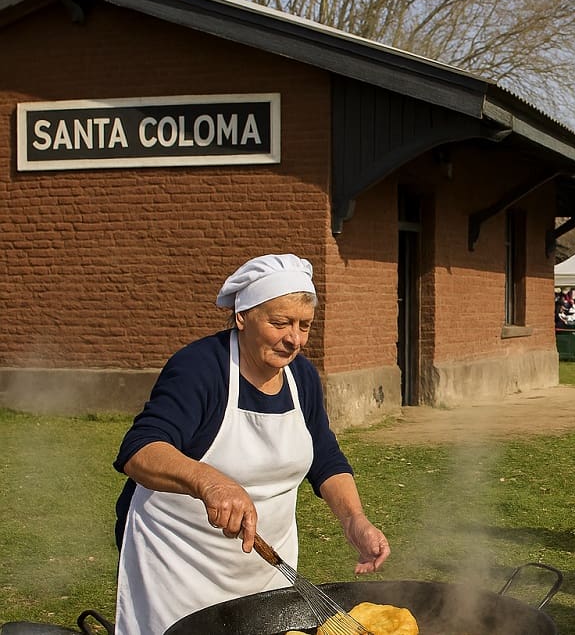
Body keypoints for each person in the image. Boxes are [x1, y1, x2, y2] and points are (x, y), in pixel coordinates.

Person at [111, 254, 390, 635]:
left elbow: (324, 457)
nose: (294, 338)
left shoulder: (301, 377)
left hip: (267, 570)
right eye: (280, 323)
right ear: (243, 316)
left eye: (304, 325)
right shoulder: (200, 368)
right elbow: (140, 450)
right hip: (180, 569)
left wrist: (355, 520)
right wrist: (209, 481)